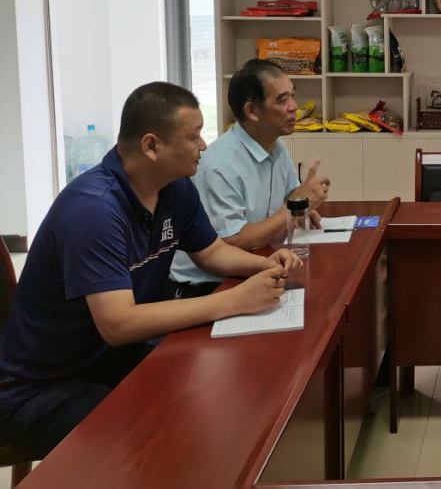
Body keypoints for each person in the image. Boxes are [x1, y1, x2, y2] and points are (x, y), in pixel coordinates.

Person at [0, 82, 303, 459]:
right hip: (43, 387)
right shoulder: (93, 210)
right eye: (193, 136)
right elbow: (118, 324)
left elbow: (211, 252)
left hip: (113, 359)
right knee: (153, 438)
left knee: (215, 389)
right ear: (151, 146)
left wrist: (265, 264)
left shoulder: (175, 188)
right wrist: (234, 301)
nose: (203, 145)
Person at [169, 59, 331, 298]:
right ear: (252, 111)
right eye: (282, 100)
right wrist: (293, 206)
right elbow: (233, 242)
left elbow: (290, 197)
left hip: (259, 263)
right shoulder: (221, 165)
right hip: (209, 286)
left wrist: (302, 209)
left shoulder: (276, 146)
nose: (294, 106)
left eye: (292, 96)